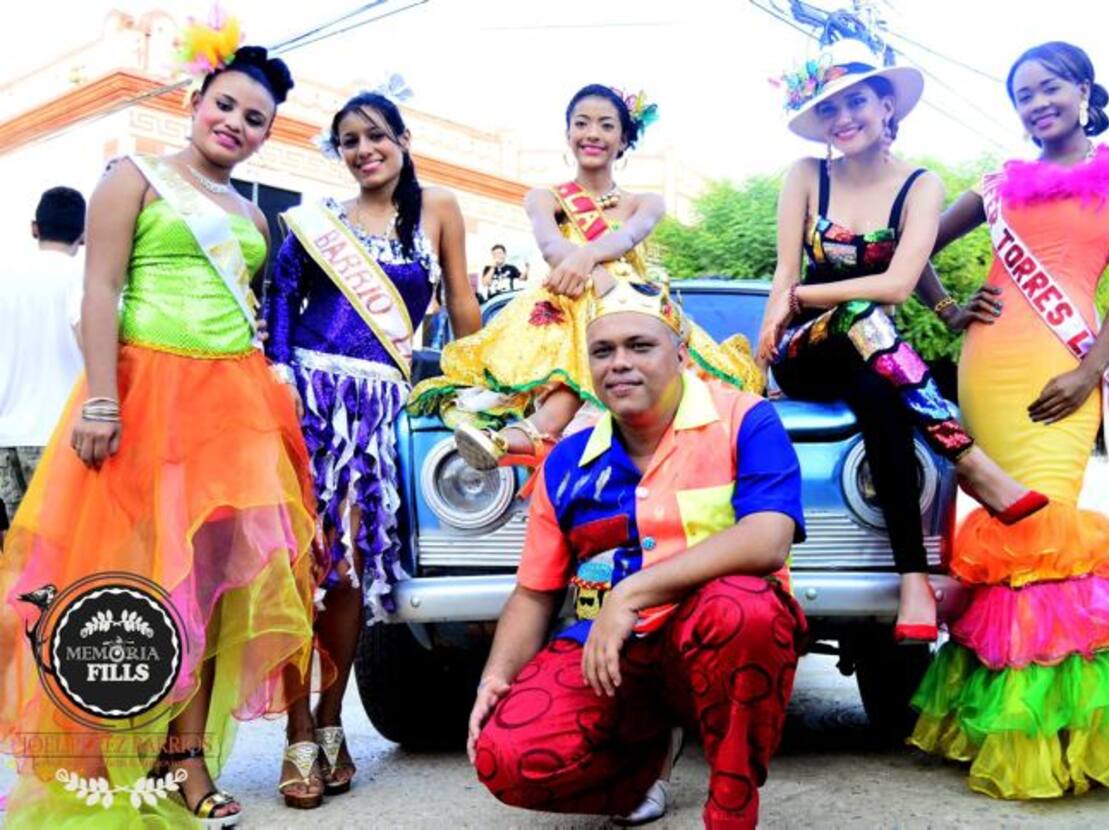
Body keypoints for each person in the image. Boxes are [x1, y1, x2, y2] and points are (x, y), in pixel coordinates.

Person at [0, 28, 320, 827]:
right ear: (194, 102)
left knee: (206, 591)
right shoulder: (132, 177)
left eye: (256, 119)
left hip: (231, 411)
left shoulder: (251, 212)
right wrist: (103, 402)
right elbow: (99, 292)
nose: (236, 125)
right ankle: (101, 756)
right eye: (226, 106)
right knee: (126, 587)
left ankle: (186, 759)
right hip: (143, 396)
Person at [908, 41, 1109, 798]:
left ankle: (1067, 728)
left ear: (1082, 90)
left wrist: (1091, 368)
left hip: (1065, 358)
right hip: (990, 364)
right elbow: (918, 244)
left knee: (1049, 525)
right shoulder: (998, 184)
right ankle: (1009, 725)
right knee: (1008, 533)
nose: (1036, 104)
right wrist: (944, 306)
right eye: (1022, 95)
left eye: (1048, 88)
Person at [467, 280, 807, 829]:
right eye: (603, 351)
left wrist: (631, 593)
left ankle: (731, 803)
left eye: (639, 346)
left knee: (747, 608)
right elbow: (535, 591)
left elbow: (768, 538)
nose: (619, 363)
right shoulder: (567, 461)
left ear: (679, 353)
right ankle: (640, 766)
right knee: (504, 759)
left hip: (709, 638)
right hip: (607, 659)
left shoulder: (746, 419)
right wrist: (494, 678)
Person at [757, 38, 1048, 645]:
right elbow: (788, 272)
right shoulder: (807, 176)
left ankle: (913, 579)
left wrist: (945, 311)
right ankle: (970, 463)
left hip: (867, 349)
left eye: (856, 101)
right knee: (864, 313)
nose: (843, 120)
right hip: (806, 351)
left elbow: (897, 280)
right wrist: (775, 328)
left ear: (887, 104)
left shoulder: (922, 186)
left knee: (883, 402)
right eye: (829, 111)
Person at [264, 89, 479, 809]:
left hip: (382, 406)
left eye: (375, 136)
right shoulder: (320, 220)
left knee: (350, 572)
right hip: (312, 403)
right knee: (302, 568)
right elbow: (281, 298)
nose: (364, 150)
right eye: (350, 140)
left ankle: (332, 720)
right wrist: (283, 378)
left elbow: (460, 307)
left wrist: (478, 382)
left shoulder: (440, 209)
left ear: (403, 138)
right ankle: (297, 730)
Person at [409, 84, 763, 472]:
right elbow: (549, 245)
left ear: (624, 139)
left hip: (634, 311)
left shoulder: (645, 202)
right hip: (564, 307)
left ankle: (535, 433)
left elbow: (626, 237)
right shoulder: (545, 197)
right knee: (580, 317)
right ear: (568, 134)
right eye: (582, 123)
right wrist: (592, 273)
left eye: (606, 125)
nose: (592, 133)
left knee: (612, 323)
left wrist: (592, 266)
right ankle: (536, 432)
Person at [0, 187, 86, 530]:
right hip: (61, 438)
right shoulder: (83, 281)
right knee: (54, 555)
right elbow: (91, 343)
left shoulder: (4, 279)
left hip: (5, 438)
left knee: (11, 558)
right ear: (84, 234)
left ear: (35, 228)